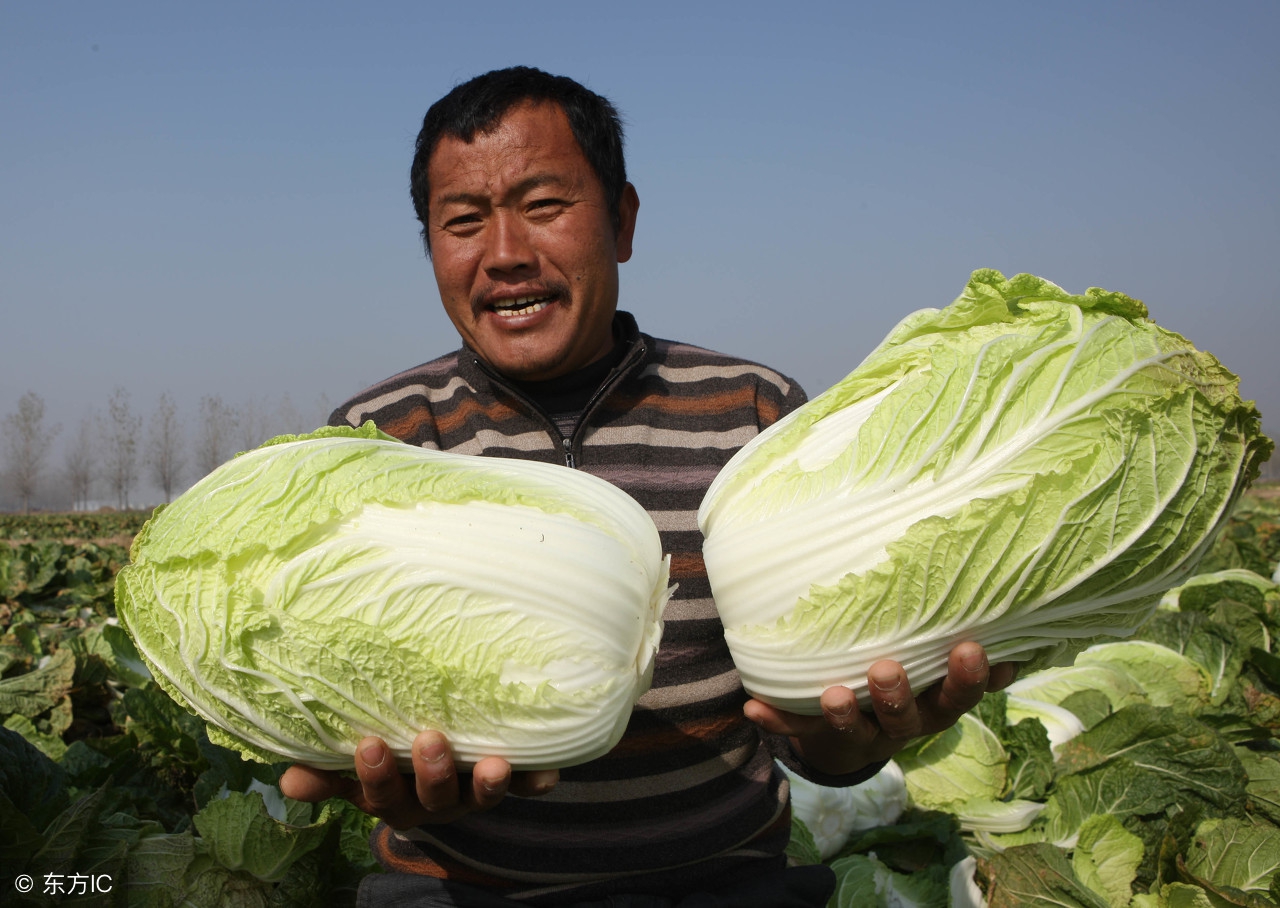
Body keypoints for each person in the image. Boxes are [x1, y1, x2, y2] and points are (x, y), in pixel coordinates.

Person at [280, 66, 1015, 907]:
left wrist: (857, 741)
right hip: (458, 892)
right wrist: (374, 773)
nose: (506, 253)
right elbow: (330, 698)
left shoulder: (755, 415)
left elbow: (817, 742)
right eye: (463, 222)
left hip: (721, 885)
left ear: (623, 221)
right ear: (431, 247)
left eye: (544, 205)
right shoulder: (379, 441)